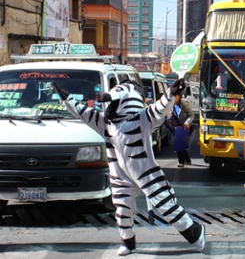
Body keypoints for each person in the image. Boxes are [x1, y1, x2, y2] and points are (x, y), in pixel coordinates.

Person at [51, 79, 206, 256]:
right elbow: (84, 114)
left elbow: (159, 109)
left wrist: (169, 94)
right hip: (121, 175)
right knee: (122, 209)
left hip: (147, 173)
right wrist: (67, 99)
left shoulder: (142, 118)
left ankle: (195, 232)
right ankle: (127, 241)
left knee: (166, 206)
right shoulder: (107, 124)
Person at [170, 93, 195, 167]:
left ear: (180, 96)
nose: (174, 98)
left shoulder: (184, 103)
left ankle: (182, 161)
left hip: (186, 126)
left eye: (176, 96)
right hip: (178, 126)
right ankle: (187, 160)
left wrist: (186, 123)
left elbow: (191, 115)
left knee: (181, 143)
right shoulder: (172, 104)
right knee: (180, 143)